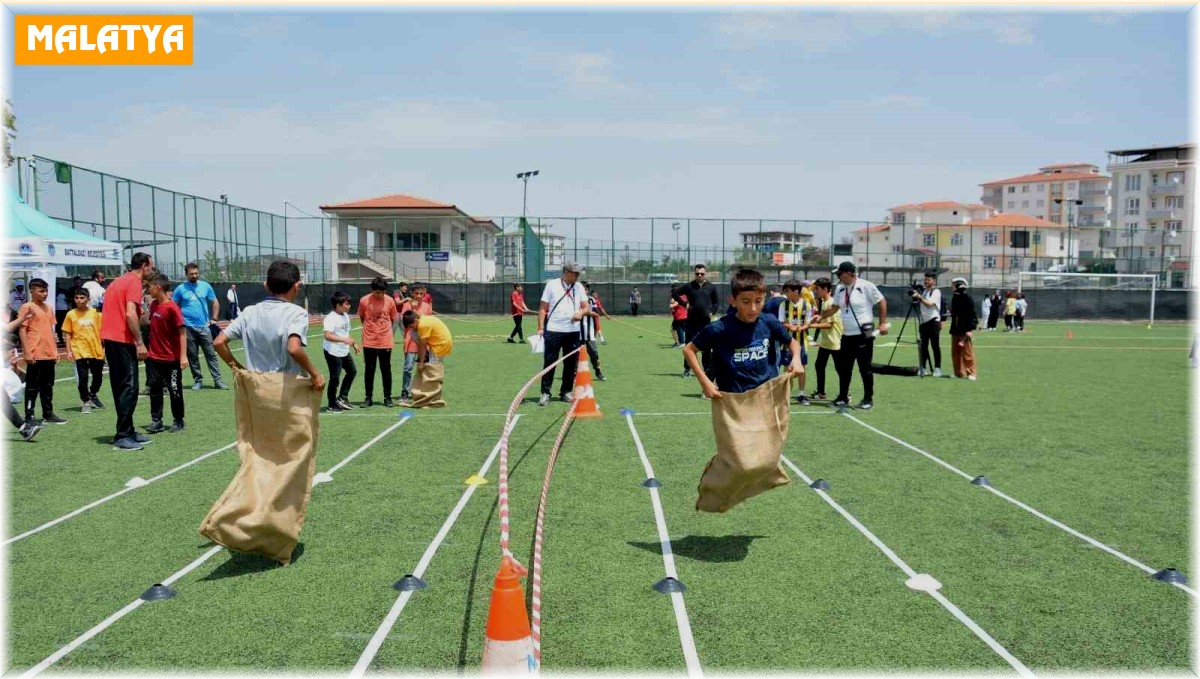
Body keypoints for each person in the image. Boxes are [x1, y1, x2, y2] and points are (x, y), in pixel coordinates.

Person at [683, 268, 803, 399]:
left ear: (764, 299)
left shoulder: (769, 322)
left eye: (758, 301)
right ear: (733, 301)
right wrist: (705, 382)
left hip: (766, 396)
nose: (753, 308)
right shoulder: (719, 328)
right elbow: (689, 350)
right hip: (731, 400)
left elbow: (793, 343)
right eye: (745, 302)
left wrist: (796, 359)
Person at [213, 260, 324, 388]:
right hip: (286, 388)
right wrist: (315, 375)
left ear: (266, 286)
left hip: (257, 387)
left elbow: (218, 342)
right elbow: (294, 349)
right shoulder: (297, 313)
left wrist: (239, 370)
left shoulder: (249, 312)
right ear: (296, 286)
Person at [102, 252, 156, 450]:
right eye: (151, 266)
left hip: (111, 338)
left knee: (121, 387)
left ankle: (128, 430)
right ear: (143, 266)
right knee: (130, 387)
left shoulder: (117, 281)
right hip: (121, 339)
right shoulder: (134, 281)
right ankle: (122, 434)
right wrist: (140, 342)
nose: (152, 270)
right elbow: (130, 314)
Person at [827, 261, 888, 410]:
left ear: (849, 273)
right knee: (844, 367)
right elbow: (835, 308)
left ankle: (868, 399)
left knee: (864, 367)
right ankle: (843, 397)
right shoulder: (840, 289)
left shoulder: (866, 285)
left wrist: (882, 323)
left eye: (840, 273)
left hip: (863, 333)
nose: (838, 276)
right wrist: (821, 316)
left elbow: (882, 302)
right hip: (846, 334)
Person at [537, 261, 589, 406]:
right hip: (553, 331)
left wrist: (581, 312)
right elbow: (542, 308)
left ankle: (566, 392)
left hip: (573, 331)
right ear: (567, 272)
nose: (578, 276)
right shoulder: (551, 285)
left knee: (571, 364)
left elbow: (586, 307)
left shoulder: (578, 287)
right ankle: (545, 393)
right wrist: (541, 328)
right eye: (575, 273)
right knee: (550, 362)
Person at [18, 279, 66, 426]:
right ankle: (29, 416)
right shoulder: (27, 307)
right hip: (35, 353)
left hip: (48, 353)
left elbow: (51, 331)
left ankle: (48, 413)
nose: (44, 294)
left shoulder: (48, 308)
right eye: (41, 291)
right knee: (33, 386)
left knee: (48, 385)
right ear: (32, 291)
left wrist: (55, 350)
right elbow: (22, 329)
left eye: (46, 291)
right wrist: (27, 351)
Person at [173, 263, 229, 391]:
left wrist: (214, 319)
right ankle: (198, 380)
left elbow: (215, 302)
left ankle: (217, 380)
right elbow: (174, 306)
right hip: (188, 327)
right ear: (186, 274)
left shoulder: (205, 286)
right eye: (192, 274)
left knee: (211, 354)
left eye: (196, 273)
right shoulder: (180, 289)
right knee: (192, 355)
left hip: (204, 326)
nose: (194, 276)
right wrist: (179, 321)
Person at [145, 274, 188, 433]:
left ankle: (179, 420)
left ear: (158, 287)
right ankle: (157, 420)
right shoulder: (154, 305)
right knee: (155, 390)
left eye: (149, 287)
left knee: (174, 389)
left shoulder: (172, 308)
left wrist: (183, 356)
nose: (148, 290)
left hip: (171, 359)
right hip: (154, 358)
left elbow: (182, 332)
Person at [673, 264, 720, 379]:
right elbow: (675, 293)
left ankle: (707, 371)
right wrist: (685, 304)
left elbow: (716, 303)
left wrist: (712, 312)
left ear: (705, 274)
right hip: (692, 322)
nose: (699, 275)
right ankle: (687, 369)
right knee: (689, 347)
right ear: (694, 274)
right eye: (697, 273)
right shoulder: (689, 286)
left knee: (706, 349)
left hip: (705, 323)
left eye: (702, 273)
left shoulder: (711, 287)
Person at [62, 289, 106, 414]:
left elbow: (102, 332)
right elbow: (68, 334)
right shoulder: (71, 314)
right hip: (79, 350)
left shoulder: (96, 314)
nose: (79, 300)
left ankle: (93, 393)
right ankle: (85, 401)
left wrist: (104, 349)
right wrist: (69, 351)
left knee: (98, 377)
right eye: (77, 298)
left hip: (95, 350)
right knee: (82, 379)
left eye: (82, 298)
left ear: (88, 299)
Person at [358, 276, 399, 407]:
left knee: (386, 369)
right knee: (369, 369)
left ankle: (388, 397)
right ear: (372, 290)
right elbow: (362, 317)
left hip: (385, 340)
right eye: (377, 292)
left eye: (383, 292)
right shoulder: (364, 300)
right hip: (369, 340)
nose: (380, 295)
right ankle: (368, 398)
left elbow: (393, 318)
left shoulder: (390, 301)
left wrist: (385, 332)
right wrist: (371, 329)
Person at [322, 291, 358, 413]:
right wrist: (344, 340)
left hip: (343, 351)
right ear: (338, 305)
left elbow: (345, 333)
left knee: (352, 371)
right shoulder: (330, 318)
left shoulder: (346, 316)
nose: (349, 306)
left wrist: (353, 344)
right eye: (347, 304)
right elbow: (327, 336)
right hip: (332, 352)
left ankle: (342, 398)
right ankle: (331, 404)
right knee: (335, 378)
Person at [807, 277, 842, 401]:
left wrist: (811, 325)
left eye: (817, 289)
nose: (815, 291)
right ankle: (821, 393)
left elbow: (829, 324)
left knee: (840, 369)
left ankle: (846, 394)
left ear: (825, 289)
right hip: (826, 342)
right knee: (819, 365)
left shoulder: (830, 303)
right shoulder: (824, 301)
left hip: (834, 342)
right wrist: (817, 317)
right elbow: (824, 318)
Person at [778, 280, 812, 405]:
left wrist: (801, 328)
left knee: (802, 367)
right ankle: (786, 394)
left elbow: (808, 323)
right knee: (788, 368)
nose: (786, 294)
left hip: (802, 342)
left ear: (796, 291)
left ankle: (801, 394)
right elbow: (781, 322)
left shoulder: (807, 305)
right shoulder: (783, 305)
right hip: (787, 342)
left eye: (787, 291)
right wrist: (790, 326)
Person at [398, 281, 432, 406]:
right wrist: (412, 308)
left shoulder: (427, 307)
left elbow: (428, 323)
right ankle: (405, 392)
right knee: (408, 368)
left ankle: (422, 392)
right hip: (410, 342)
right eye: (416, 293)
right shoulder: (407, 305)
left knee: (425, 368)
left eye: (421, 294)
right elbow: (405, 321)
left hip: (424, 343)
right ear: (411, 293)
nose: (419, 296)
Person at [913, 270, 943, 377]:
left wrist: (919, 297)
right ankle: (923, 367)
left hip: (933, 322)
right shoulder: (924, 291)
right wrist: (917, 296)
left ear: (934, 281)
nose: (926, 281)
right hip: (923, 322)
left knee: (935, 346)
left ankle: (938, 368)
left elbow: (929, 304)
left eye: (928, 280)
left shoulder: (936, 291)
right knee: (923, 346)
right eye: (925, 279)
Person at [947, 277, 978, 380]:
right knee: (955, 352)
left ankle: (971, 373)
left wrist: (969, 329)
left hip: (964, 328)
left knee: (967, 352)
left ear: (958, 285)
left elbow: (971, 315)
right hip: (955, 328)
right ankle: (958, 373)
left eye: (953, 284)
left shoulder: (967, 298)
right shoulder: (955, 297)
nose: (952, 286)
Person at [580, 282, 606, 381]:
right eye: (582, 288)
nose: (584, 290)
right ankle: (574, 374)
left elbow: (596, 313)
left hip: (589, 333)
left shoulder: (591, 300)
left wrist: (586, 312)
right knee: (574, 355)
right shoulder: (573, 299)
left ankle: (598, 372)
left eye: (586, 289)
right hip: (576, 333)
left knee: (594, 353)